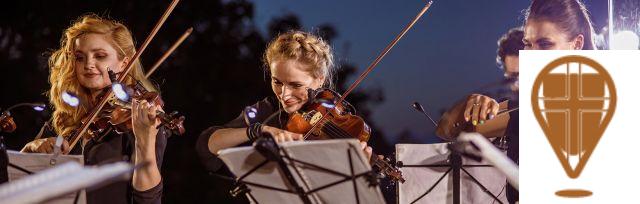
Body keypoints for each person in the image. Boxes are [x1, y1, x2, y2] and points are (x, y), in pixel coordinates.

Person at [436, 0, 597, 203]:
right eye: (528, 44)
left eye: (545, 44)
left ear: (577, 44)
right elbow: (445, 129)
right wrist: (469, 104)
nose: (532, 55)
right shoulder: (525, 107)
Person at [21, 14, 169, 204]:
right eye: (80, 57)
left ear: (124, 64)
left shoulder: (139, 118)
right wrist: (30, 149)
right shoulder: (64, 117)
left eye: (100, 56)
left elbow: (148, 201)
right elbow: (21, 185)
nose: (88, 64)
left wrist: (145, 140)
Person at [196, 30, 373, 172]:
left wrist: (359, 170)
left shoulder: (339, 119)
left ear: (320, 79)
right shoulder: (267, 110)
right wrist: (260, 130)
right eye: (277, 82)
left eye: (296, 85)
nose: (284, 95)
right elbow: (206, 145)